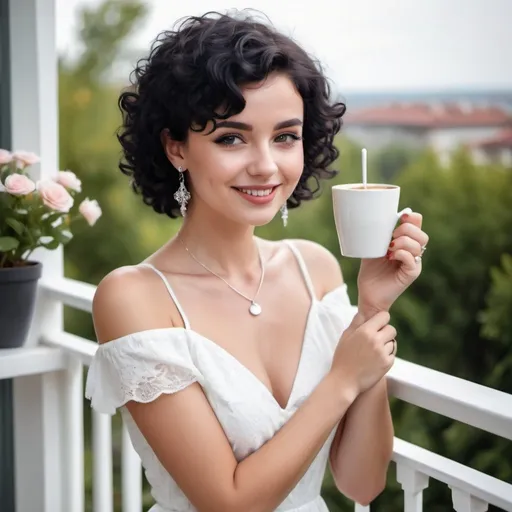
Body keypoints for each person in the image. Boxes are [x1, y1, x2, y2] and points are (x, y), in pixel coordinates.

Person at [85, 10, 429, 512]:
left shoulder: (316, 269)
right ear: (176, 146)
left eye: (285, 136)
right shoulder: (133, 297)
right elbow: (229, 503)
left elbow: (362, 484)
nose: (266, 165)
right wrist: (341, 381)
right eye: (231, 137)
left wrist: (371, 309)